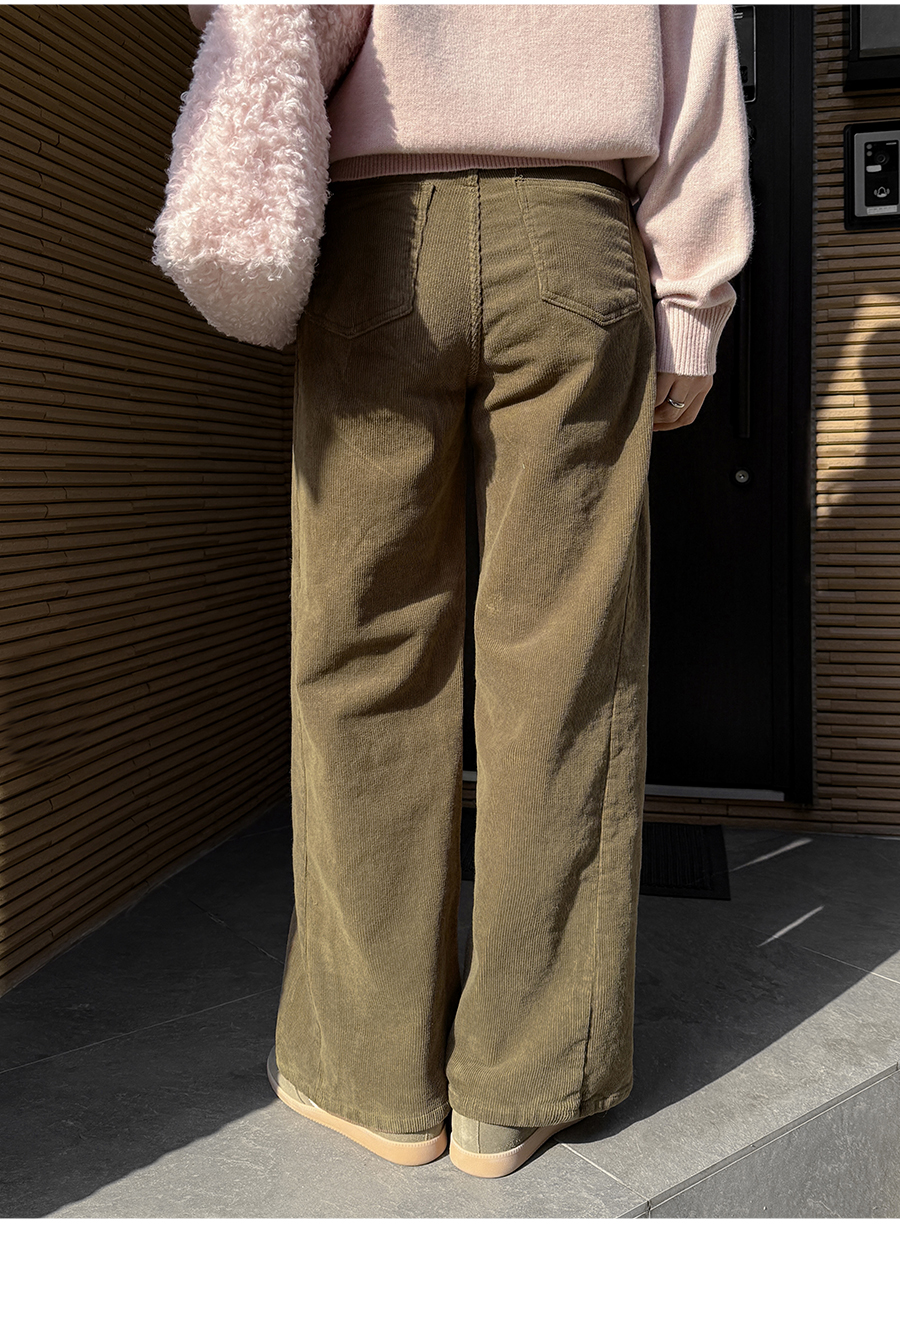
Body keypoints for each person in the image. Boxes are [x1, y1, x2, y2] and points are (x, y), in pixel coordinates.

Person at [168, 3, 753, 1179]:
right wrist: (691, 297)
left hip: (377, 232)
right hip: (575, 233)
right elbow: (698, 40)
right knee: (565, 667)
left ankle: (369, 1074)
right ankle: (521, 1084)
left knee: (363, 657)